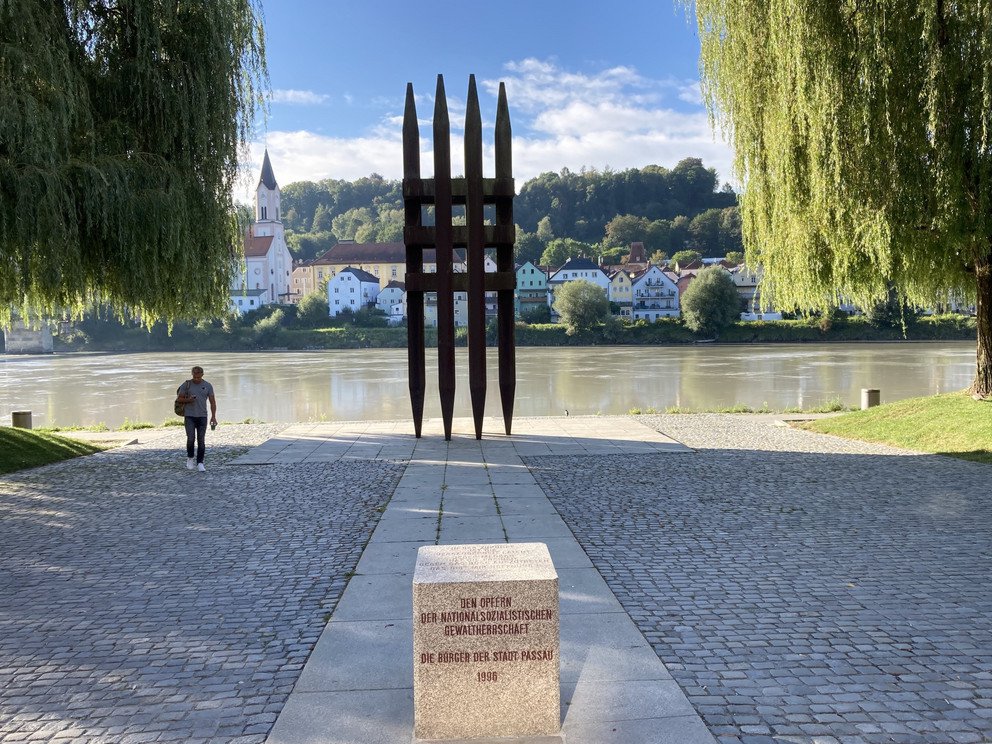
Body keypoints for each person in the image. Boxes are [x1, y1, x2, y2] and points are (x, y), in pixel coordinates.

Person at [176, 366, 217, 472]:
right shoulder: (186, 384)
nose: (196, 378)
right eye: (195, 376)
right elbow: (179, 399)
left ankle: (200, 463)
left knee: (201, 440)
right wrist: (189, 400)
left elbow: (212, 402)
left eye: (198, 376)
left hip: (203, 416)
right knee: (190, 438)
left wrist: (213, 417)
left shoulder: (207, 385)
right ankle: (190, 458)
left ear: (202, 374)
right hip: (189, 416)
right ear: (192, 374)